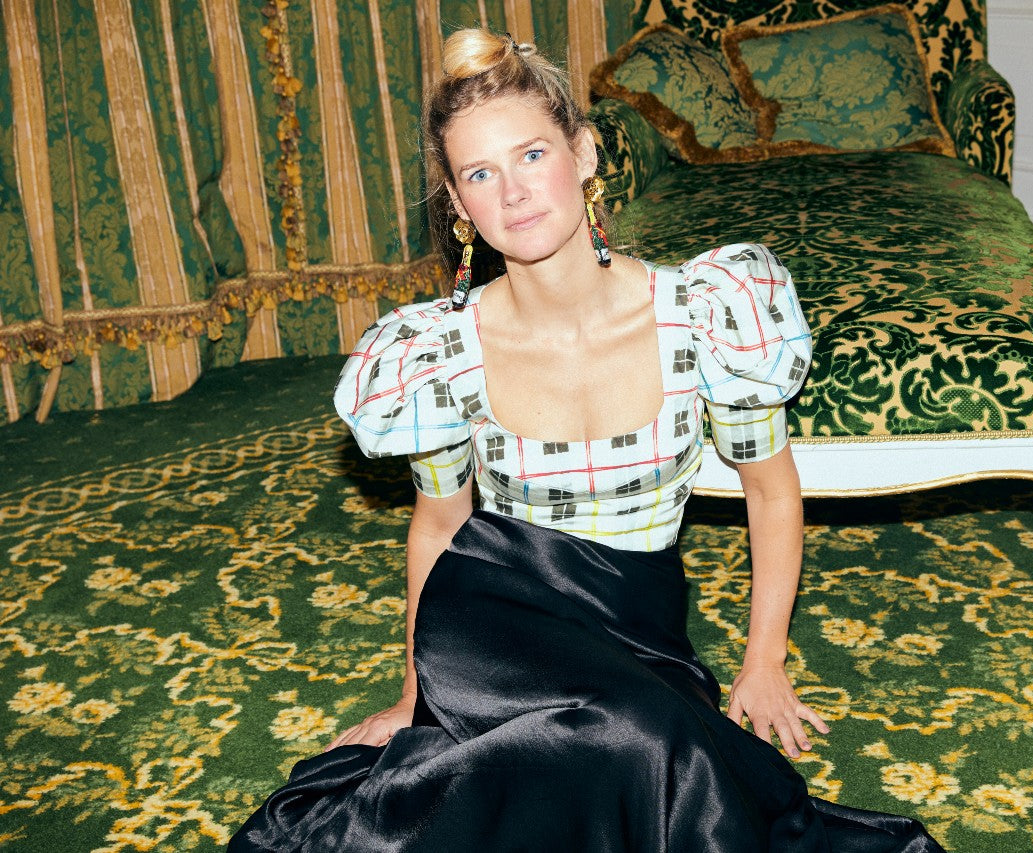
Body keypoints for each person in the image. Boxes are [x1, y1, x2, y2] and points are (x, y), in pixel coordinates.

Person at [229, 28, 944, 852]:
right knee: (631, 741)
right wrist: (414, 698)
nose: (513, 193)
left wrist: (764, 662)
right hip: (497, 621)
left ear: (586, 151)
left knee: (649, 749)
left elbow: (771, 488)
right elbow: (438, 526)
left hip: (638, 632)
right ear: (459, 206)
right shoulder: (437, 353)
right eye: (480, 174)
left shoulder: (709, 315)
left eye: (532, 155)